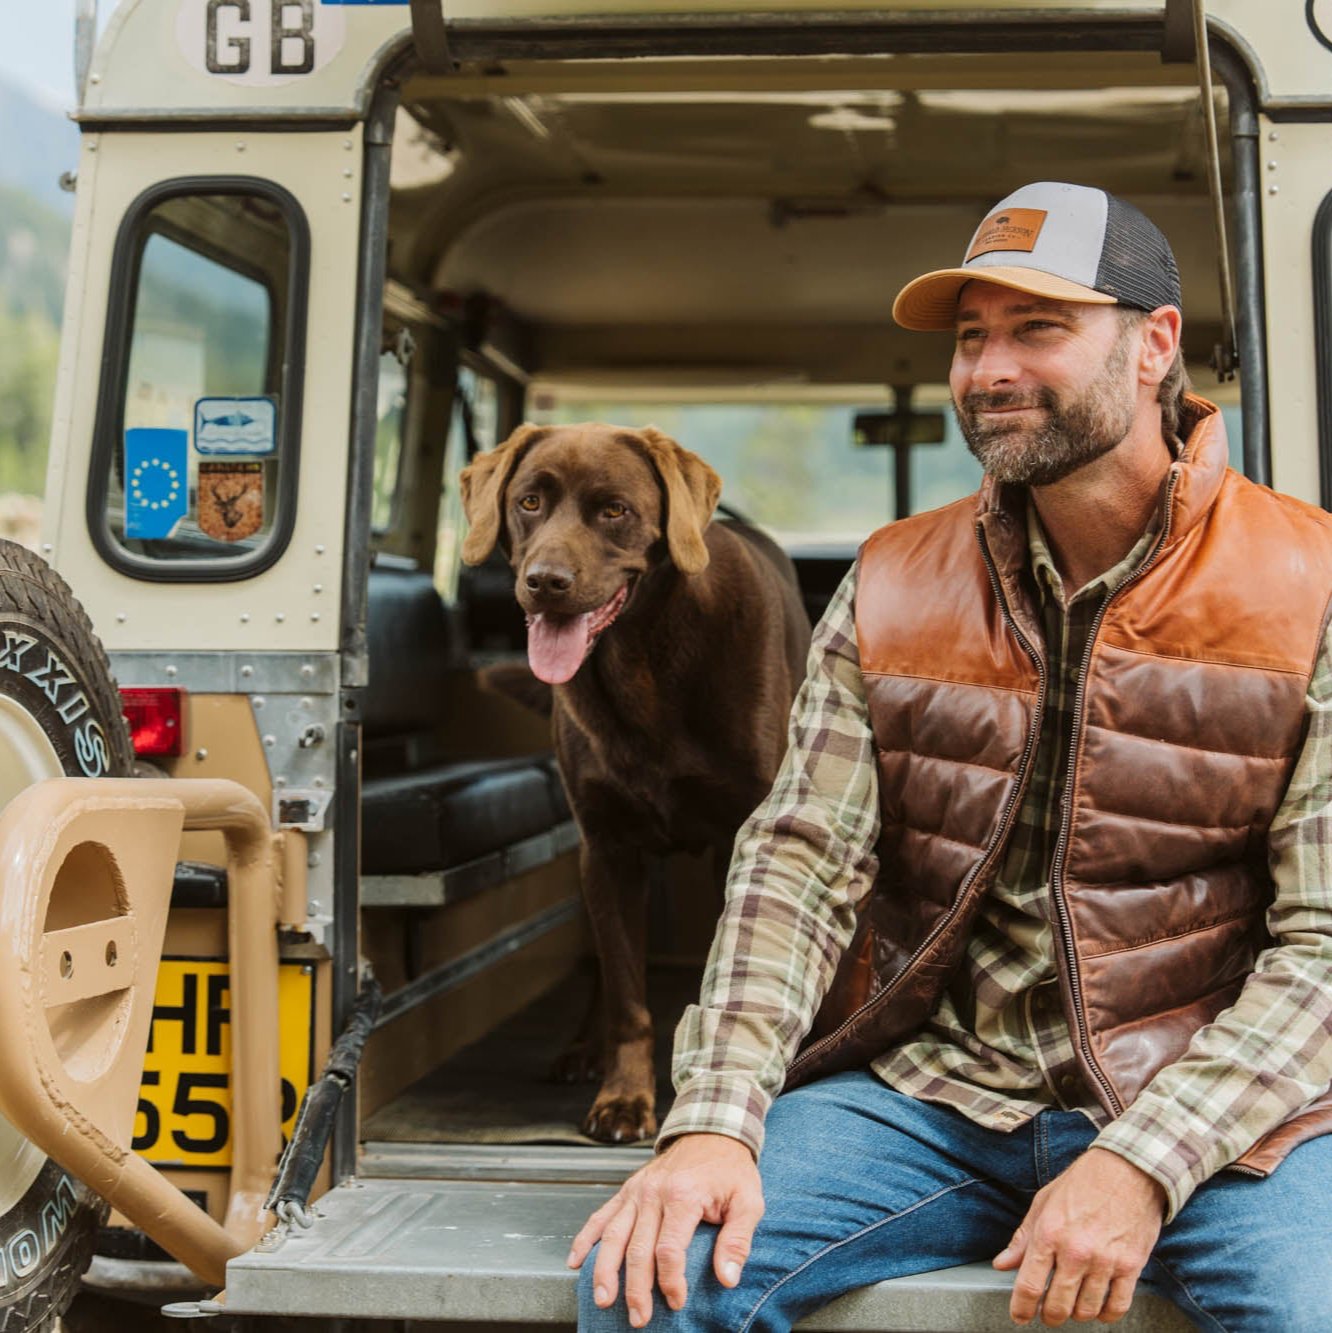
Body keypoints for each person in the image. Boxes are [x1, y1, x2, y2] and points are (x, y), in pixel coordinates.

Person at [566, 181, 1332, 1332]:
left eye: (1037, 329)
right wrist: (714, 1117)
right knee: (650, 1278)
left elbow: (1324, 948)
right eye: (972, 337)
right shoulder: (890, 583)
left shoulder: (1308, 582)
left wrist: (1140, 1163)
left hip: (1220, 1110)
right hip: (940, 1093)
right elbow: (794, 869)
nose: (987, 369)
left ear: (1153, 346)